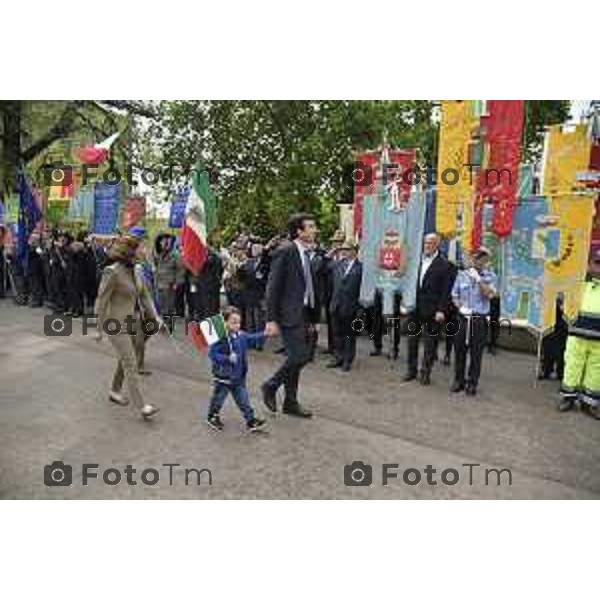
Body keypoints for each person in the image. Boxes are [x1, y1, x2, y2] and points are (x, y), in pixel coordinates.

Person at [94, 232, 161, 420]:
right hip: (115, 324)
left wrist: (155, 316)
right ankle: (142, 405)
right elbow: (101, 300)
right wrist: (98, 329)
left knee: (124, 360)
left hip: (132, 321)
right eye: (140, 247)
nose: (144, 250)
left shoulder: (137, 270)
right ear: (130, 251)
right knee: (131, 362)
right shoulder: (112, 271)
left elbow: (145, 296)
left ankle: (114, 391)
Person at [261, 213, 319, 418]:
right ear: (299, 231)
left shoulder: (307, 253)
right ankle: (270, 385)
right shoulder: (286, 251)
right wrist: (271, 319)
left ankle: (290, 402)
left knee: (299, 358)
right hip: (288, 315)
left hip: (303, 314)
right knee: (300, 356)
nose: (315, 230)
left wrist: (313, 318)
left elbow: (309, 288)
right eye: (310, 227)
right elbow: (273, 287)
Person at [206, 306, 268, 432]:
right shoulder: (220, 337)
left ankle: (250, 420)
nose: (237, 325)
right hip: (223, 377)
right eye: (234, 322)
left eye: (239, 322)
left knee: (244, 400)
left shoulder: (241, 335)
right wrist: (227, 358)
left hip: (238, 376)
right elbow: (213, 354)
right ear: (225, 322)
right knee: (218, 398)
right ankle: (212, 416)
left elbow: (252, 338)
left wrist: (265, 334)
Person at [450, 247, 498, 395]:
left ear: (486, 261)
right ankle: (459, 380)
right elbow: (454, 295)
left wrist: (479, 280)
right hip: (463, 318)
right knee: (459, 350)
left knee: (476, 353)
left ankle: (472, 382)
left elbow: (489, 295)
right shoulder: (462, 275)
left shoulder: (490, 276)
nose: (478, 261)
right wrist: (459, 307)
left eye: (482, 259)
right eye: (476, 258)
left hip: (479, 319)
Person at [558, 250, 600, 419]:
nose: (599, 268)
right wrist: (567, 315)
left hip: (598, 340)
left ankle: (589, 403)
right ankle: (568, 398)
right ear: (590, 264)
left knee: (596, 371)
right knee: (572, 367)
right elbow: (561, 298)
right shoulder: (577, 282)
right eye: (597, 263)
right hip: (577, 335)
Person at [404, 233, 450, 385]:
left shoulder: (444, 264)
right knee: (412, 341)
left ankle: (425, 372)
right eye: (425, 243)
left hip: (433, 311)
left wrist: (441, 310)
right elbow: (410, 283)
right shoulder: (416, 261)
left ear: (437, 244)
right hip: (415, 308)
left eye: (430, 243)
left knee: (430, 344)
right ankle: (411, 370)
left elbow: (445, 290)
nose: (427, 246)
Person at [327, 240, 363, 372]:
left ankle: (348, 360)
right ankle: (338, 357)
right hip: (336, 304)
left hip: (351, 307)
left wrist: (360, 308)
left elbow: (362, 289)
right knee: (337, 333)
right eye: (343, 249)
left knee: (349, 334)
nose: (344, 251)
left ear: (354, 251)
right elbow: (322, 266)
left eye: (347, 249)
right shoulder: (337, 264)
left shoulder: (360, 268)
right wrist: (332, 252)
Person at [539, 296, 568, 380]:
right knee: (548, 347)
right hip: (550, 318)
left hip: (561, 323)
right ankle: (547, 370)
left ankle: (559, 372)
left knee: (561, 349)